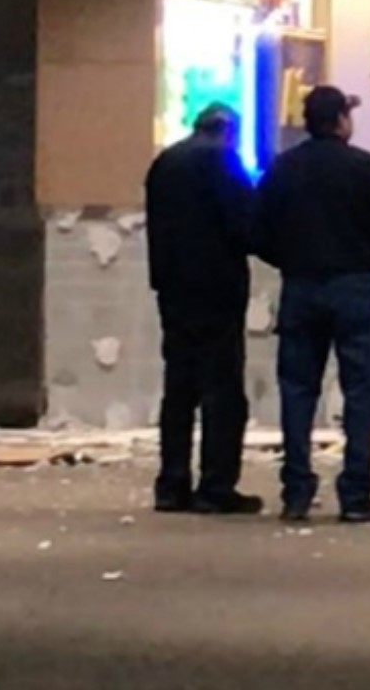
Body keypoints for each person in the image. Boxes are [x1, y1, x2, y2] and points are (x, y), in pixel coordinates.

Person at [255, 87, 370, 525]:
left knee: (298, 389)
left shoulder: (284, 168)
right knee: (362, 390)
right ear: (341, 120)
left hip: (301, 287)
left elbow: (258, 227)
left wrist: (288, 259)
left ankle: (297, 491)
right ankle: (356, 492)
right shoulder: (365, 168)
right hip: (356, 287)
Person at [144, 104, 262, 515]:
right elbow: (246, 225)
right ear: (229, 131)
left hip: (173, 290)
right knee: (222, 392)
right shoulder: (223, 162)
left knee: (179, 389)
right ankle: (216, 487)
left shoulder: (165, 162)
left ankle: (171, 484)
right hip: (217, 290)